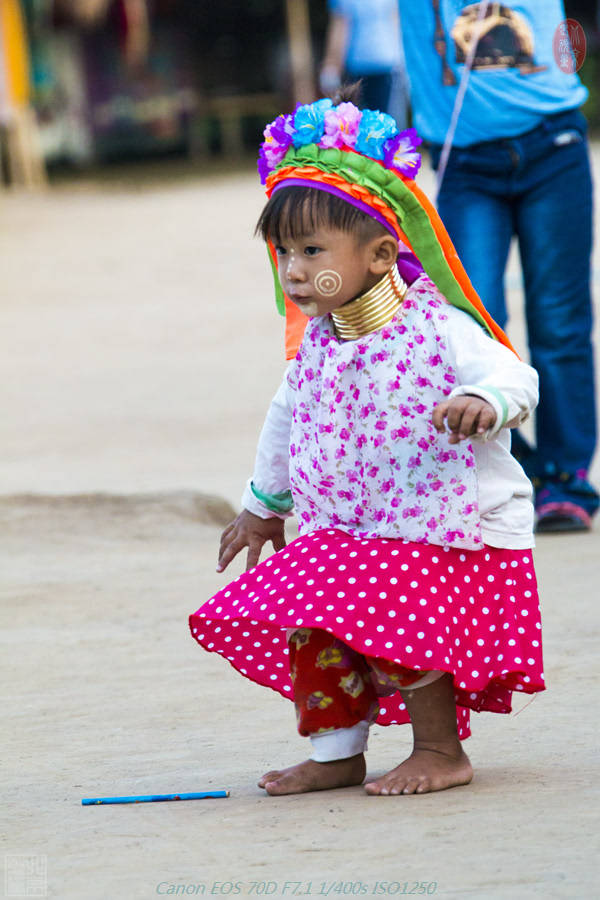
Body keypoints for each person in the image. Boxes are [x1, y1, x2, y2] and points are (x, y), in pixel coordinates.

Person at [189, 91, 545, 797]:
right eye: (283, 250)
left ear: (382, 253)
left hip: (435, 528)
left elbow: (517, 377)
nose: (292, 268)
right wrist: (263, 507)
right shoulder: (317, 346)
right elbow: (283, 424)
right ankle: (336, 753)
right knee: (312, 632)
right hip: (340, 528)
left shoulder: (437, 330)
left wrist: (485, 400)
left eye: (312, 250)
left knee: (402, 623)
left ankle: (441, 750)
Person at [398, 0, 598, 532]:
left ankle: (565, 478)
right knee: (472, 319)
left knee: (559, 320)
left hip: (553, 147)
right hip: (466, 164)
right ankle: (519, 467)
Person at [320, 0, 408, 126]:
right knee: (355, 127)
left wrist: (404, 61)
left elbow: (397, 21)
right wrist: (331, 67)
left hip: (388, 67)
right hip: (356, 68)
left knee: (389, 126)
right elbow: (340, 26)